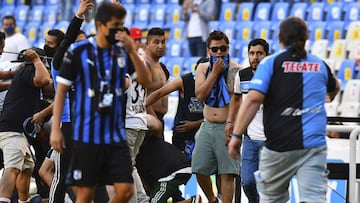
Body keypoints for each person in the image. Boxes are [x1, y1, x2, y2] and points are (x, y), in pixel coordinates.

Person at [228, 16, 340, 203]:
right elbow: (335, 85)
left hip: (279, 146)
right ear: (306, 37)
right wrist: (331, 96)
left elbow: (253, 99)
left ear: (279, 38)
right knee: (314, 198)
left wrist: (237, 135)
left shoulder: (271, 63)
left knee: (272, 199)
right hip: (313, 147)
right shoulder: (319, 65)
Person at [50, 1, 151, 202]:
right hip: (87, 135)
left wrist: (132, 51)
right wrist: (55, 129)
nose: (119, 31)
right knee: (85, 194)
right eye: (115, 26)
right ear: (100, 25)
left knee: (125, 191)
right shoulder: (78, 52)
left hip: (115, 135)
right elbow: (61, 91)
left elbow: (148, 81)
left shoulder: (122, 53)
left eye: (122, 26)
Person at [34, 1, 95, 201]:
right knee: (60, 178)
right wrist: (78, 16)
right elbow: (68, 39)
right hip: (67, 127)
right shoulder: (61, 65)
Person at [192, 30, 241, 203]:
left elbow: (239, 101)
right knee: (198, 168)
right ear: (208, 51)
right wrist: (215, 73)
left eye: (223, 48)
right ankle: (213, 200)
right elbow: (200, 95)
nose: (219, 53)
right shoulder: (203, 68)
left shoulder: (237, 70)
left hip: (227, 126)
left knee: (227, 173)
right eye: (215, 50)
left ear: (228, 48)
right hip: (207, 124)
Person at [0, 47, 51, 203]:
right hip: (12, 129)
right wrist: (36, 60)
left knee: (27, 167)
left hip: (16, 130)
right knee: (13, 167)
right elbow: (43, 80)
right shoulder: (28, 70)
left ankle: (23, 201)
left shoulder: (25, 73)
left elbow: (49, 87)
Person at [225, 38, 269, 203]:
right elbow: (236, 100)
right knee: (248, 182)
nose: (255, 57)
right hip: (249, 139)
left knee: (268, 184)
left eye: (259, 53)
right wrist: (230, 121)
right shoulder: (241, 76)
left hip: (271, 140)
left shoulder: (274, 76)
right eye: (251, 53)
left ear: (267, 55)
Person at [146, 57, 207, 155]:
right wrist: (142, 105)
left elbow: (219, 115)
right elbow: (159, 93)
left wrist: (195, 124)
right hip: (182, 134)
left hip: (203, 132)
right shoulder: (184, 81)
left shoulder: (215, 84)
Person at [124, 26, 151, 203]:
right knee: (129, 165)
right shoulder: (142, 62)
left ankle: (138, 200)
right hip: (140, 120)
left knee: (124, 167)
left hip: (129, 121)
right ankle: (141, 199)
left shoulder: (125, 61)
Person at [143, 27, 169, 133]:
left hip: (159, 118)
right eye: (156, 42)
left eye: (163, 42)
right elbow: (143, 95)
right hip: (150, 119)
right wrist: (155, 119)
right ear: (147, 44)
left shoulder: (160, 66)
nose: (161, 46)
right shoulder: (145, 64)